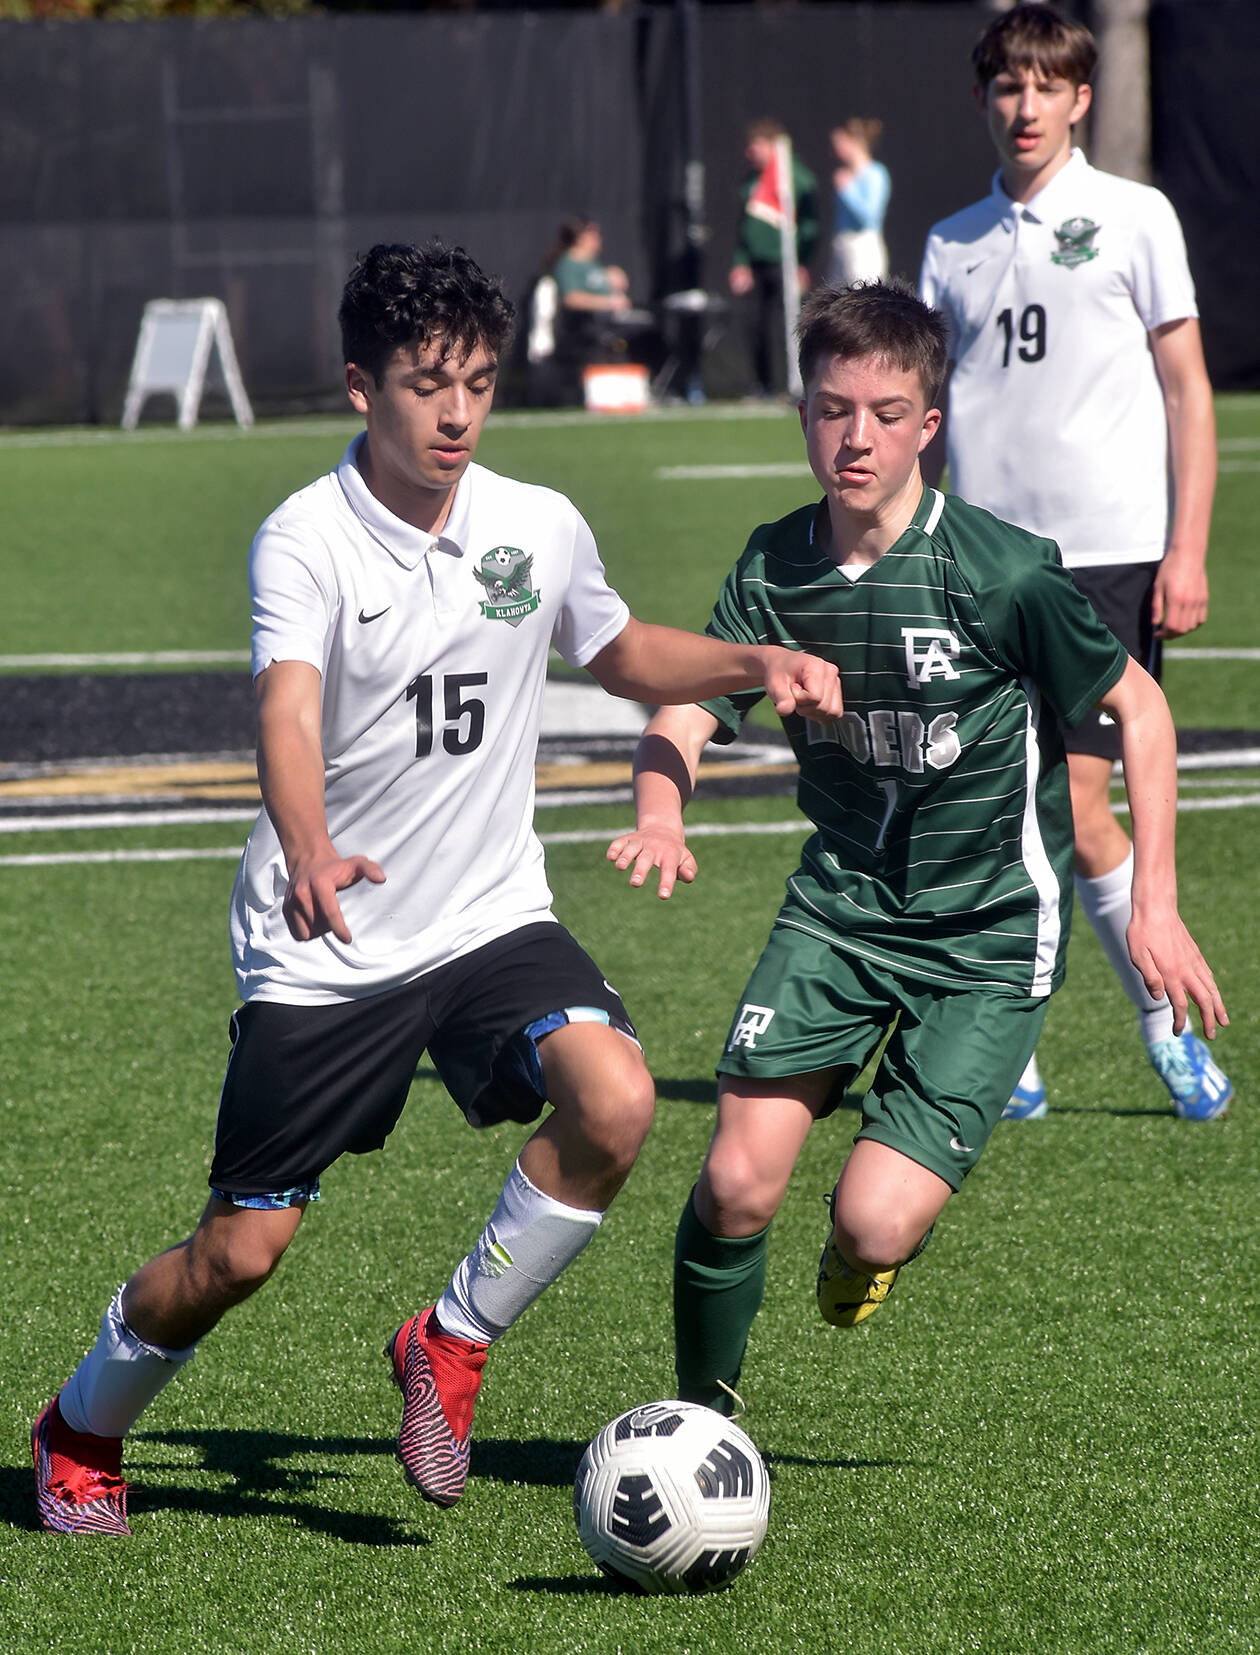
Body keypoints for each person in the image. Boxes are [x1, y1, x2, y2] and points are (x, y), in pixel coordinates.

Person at [31, 240, 843, 1536]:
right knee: (239, 1253)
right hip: (330, 936)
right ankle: (81, 1420)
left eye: (476, 380)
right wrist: (306, 843)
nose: (457, 411)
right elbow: (286, 714)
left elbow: (620, 646)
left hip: (486, 917)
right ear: (363, 385)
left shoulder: (534, 522)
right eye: (426, 383)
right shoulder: (306, 539)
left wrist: (751, 658)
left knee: (619, 1097)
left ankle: (450, 1340)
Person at [607, 278, 1226, 1413]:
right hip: (839, 909)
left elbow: (1140, 708)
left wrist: (1155, 904)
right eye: (833, 408)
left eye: (887, 413)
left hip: (986, 933)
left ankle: (864, 1254)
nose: (857, 437)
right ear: (802, 413)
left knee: (871, 1219)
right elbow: (688, 706)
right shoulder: (775, 565)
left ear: (929, 425)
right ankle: (703, 1417)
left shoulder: (999, 570)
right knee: (737, 1180)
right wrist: (660, 805)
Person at [919, 2, 1231, 1122]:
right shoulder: (948, 240)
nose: (1026, 107)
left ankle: (1162, 1030)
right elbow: (929, 412)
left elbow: (1189, 388)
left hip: (1106, 558)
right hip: (981, 563)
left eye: (1046, 86)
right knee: (1002, 810)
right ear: (984, 100)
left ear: (1081, 99)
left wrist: (1184, 548)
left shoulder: (1136, 216)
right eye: (1008, 87)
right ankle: (1017, 1052)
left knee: (1087, 811)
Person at [729, 118, 819, 398]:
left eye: (754, 145)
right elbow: (743, 228)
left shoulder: (797, 178)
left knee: (792, 323)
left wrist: (802, 261)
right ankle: (762, 384)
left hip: (785, 262)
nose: (749, 152)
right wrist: (740, 263)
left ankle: (800, 382)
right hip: (757, 265)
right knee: (755, 325)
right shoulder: (751, 183)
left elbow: (809, 224)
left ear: (772, 145)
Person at [826, 118, 891, 287]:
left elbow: (869, 217)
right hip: (841, 246)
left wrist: (847, 190)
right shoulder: (845, 173)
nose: (836, 148)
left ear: (855, 142)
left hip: (863, 249)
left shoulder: (875, 174)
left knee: (862, 305)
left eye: (840, 142)